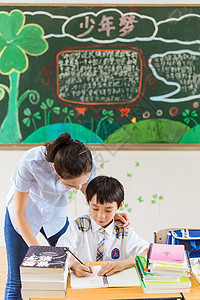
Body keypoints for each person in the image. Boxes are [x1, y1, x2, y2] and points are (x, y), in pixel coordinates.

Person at [4, 133, 129, 300]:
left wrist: (109, 215)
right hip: (24, 213)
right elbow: (19, 213)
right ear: (55, 169)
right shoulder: (31, 162)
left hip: (54, 213)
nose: (78, 188)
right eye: (71, 185)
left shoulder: (86, 162)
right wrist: (39, 252)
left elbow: (92, 197)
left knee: (76, 264)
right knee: (17, 278)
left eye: (80, 183)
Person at [57, 175, 149, 277]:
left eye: (108, 210)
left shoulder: (122, 229)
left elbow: (148, 252)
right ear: (88, 200)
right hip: (85, 282)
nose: (101, 216)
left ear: (120, 205)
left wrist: (123, 264)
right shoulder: (80, 225)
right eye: (95, 209)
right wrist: (74, 265)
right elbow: (61, 251)